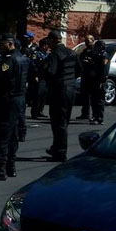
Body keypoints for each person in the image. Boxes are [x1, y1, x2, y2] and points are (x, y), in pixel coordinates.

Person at [0, 34, 27, 180]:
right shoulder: (23, 58)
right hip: (19, 99)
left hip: (8, 99)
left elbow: (0, 77)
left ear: (9, 44)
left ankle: (1, 169)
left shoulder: (9, 59)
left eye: (2, 44)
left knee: (1, 134)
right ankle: (11, 166)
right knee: (13, 133)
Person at [43, 30, 78, 162]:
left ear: (53, 40)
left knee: (58, 122)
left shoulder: (54, 55)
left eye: (48, 41)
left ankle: (60, 152)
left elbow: (50, 73)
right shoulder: (72, 52)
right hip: (71, 89)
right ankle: (56, 147)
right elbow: (79, 70)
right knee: (64, 121)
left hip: (60, 90)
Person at [82, 40, 110, 124]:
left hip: (100, 81)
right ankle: (95, 116)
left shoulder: (104, 56)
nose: (95, 48)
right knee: (94, 100)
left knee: (99, 100)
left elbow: (104, 70)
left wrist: (102, 81)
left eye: (97, 47)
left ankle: (100, 118)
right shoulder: (95, 55)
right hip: (93, 80)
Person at [76, 34, 98, 120]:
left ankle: (95, 115)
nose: (86, 42)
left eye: (88, 40)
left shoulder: (95, 52)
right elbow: (80, 61)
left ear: (93, 41)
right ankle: (85, 113)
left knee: (94, 97)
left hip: (93, 76)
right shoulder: (84, 51)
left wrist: (89, 62)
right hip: (85, 76)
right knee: (84, 96)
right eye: (85, 41)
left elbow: (97, 64)